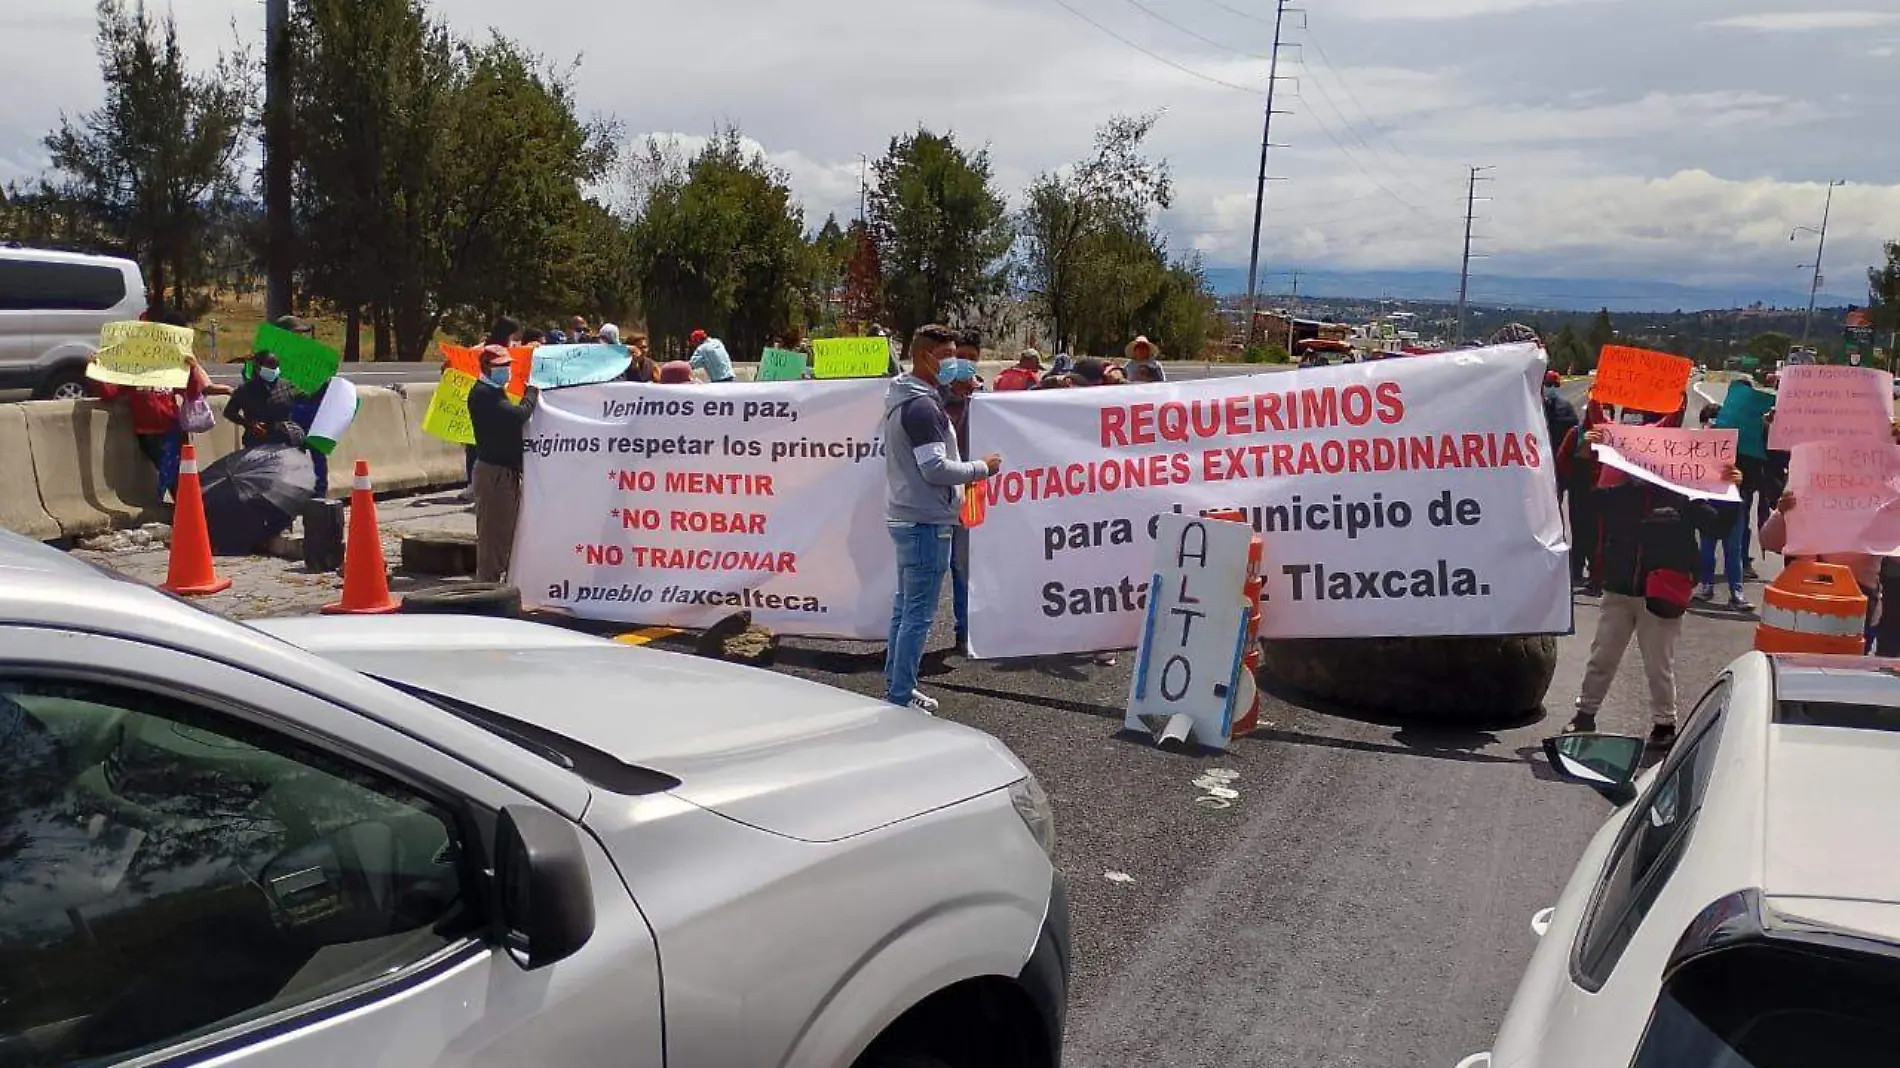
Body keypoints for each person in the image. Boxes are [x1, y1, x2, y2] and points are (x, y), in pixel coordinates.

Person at [1565, 416, 1740, 751]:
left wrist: (1731, 490)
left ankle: (1664, 723)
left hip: (1661, 596)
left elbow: (1717, 528)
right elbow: (1584, 502)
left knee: (1658, 663)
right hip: (1619, 589)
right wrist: (1586, 454)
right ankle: (1585, 714)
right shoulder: (1618, 496)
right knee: (1602, 655)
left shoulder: (1684, 498)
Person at [881, 324, 1001, 712]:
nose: (954, 363)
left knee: (906, 609)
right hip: (924, 521)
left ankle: (897, 686)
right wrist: (981, 468)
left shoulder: (912, 398)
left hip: (911, 516)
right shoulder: (922, 407)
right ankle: (899, 695)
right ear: (924, 355)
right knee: (917, 615)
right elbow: (934, 469)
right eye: (947, 355)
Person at [92, 352, 223, 500]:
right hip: (149, 434)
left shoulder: (169, 372)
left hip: (173, 431)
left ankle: (192, 509)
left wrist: (192, 369)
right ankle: (188, 510)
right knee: (174, 474)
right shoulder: (131, 375)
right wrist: (97, 370)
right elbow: (109, 394)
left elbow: (192, 393)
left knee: (184, 473)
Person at [467, 318, 538, 583]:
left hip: (504, 472)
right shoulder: (484, 393)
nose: (506, 370)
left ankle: (496, 584)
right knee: (493, 536)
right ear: (486, 367)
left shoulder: (494, 391)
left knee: (505, 533)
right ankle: (487, 588)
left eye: (507, 366)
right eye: (500, 367)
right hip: (494, 473)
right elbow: (517, 415)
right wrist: (533, 392)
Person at [939, 348, 981, 655]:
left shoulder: (983, 409)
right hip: (939, 498)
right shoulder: (930, 409)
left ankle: (966, 632)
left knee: (964, 567)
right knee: (941, 568)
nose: (968, 391)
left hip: (969, 496)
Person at [224, 352, 303, 448]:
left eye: (275, 367)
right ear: (258, 368)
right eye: (269, 367)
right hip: (256, 442)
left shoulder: (286, 386)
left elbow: (306, 399)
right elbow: (229, 412)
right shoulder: (245, 390)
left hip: (284, 441)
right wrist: (249, 424)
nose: (273, 371)